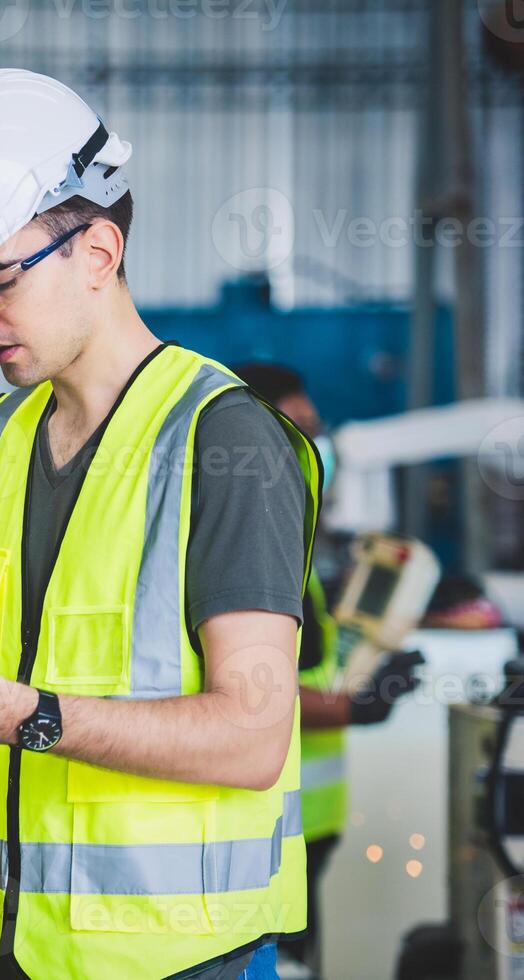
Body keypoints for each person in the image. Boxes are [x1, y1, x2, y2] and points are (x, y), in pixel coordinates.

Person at [0, 71, 321, 979]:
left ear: (97, 252)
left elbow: (253, 738)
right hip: (14, 947)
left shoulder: (225, 437)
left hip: (184, 958)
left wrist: (22, 715)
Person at [234, 362, 421, 974]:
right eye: (301, 427)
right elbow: (242, 689)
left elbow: (304, 660)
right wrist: (352, 708)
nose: (318, 448)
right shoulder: (246, 541)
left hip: (305, 825)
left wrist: (373, 673)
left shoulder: (292, 540)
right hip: (263, 826)